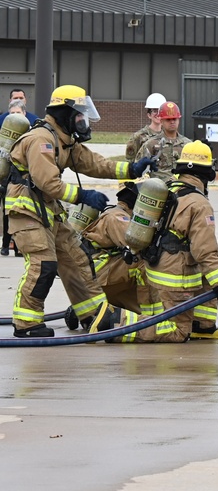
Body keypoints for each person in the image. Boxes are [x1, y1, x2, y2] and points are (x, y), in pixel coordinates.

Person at [5, 85, 155, 337]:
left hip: (47, 211)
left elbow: (95, 163)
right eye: (78, 115)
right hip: (26, 212)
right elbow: (47, 182)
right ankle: (26, 324)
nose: (82, 121)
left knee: (77, 258)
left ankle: (92, 313)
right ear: (64, 113)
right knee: (44, 264)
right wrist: (83, 195)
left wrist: (132, 169)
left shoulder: (63, 140)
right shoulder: (41, 139)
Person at [98, 141, 218, 342]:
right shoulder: (199, 204)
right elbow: (204, 252)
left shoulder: (168, 190)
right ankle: (116, 321)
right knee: (178, 331)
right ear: (207, 173)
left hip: (154, 267)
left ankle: (201, 325)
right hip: (174, 276)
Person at [80, 184, 163, 320]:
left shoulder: (114, 213)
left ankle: (98, 310)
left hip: (100, 274)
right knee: (144, 262)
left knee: (134, 267)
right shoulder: (118, 217)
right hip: (99, 275)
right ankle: (151, 316)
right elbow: (136, 244)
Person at [1, 99, 28, 257]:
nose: (15, 116)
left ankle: (18, 247)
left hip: (22, 179)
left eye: (18, 113)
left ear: (24, 113)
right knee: (7, 213)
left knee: (21, 212)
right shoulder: (4, 132)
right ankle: (5, 244)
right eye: (12, 113)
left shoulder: (29, 132)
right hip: (7, 179)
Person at [138, 101, 190, 181]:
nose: (172, 122)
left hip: (182, 188)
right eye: (168, 119)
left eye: (174, 119)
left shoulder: (188, 145)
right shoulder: (151, 144)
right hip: (158, 188)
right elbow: (139, 167)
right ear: (161, 121)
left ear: (178, 120)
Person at [125, 93, 166, 163]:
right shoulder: (138, 137)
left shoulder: (168, 135)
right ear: (149, 115)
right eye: (155, 111)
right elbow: (130, 162)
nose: (158, 114)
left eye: (160, 110)